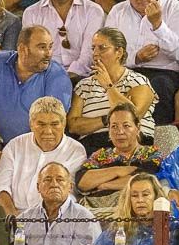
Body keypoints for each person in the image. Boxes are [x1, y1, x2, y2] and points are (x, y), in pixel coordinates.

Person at [102, 0, 179, 126]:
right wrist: (135, 57)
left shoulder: (177, 8)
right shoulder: (118, 11)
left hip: (165, 73)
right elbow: (107, 51)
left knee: (158, 86)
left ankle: (154, 144)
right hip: (126, 71)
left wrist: (158, 25)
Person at [66, 27, 157, 156]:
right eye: (93, 48)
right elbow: (74, 126)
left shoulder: (138, 81)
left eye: (102, 48)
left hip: (134, 144)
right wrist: (106, 119)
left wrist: (108, 87)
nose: (95, 53)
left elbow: (134, 116)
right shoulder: (83, 86)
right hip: (93, 146)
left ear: (119, 52)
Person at [0, 96, 87, 216]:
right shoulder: (14, 146)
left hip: (54, 218)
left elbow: (67, 194)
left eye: (54, 124)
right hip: (12, 216)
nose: (48, 131)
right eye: (41, 124)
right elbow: (1, 188)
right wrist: (15, 221)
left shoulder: (76, 150)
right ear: (31, 124)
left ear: (64, 124)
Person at [22, 0, 105, 78]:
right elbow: (32, 54)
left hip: (83, 77)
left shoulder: (93, 11)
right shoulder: (32, 13)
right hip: (43, 76)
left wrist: (67, 77)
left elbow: (89, 54)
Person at [75, 103, 164, 213]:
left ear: (138, 128)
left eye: (126, 126)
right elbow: (82, 182)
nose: (120, 132)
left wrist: (105, 185)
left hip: (132, 211)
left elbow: (143, 180)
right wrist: (119, 171)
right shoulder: (100, 155)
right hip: (95, 211)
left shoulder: (151, 153)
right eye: (114, 126)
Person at [17, 161, 101, 245]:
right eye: (47, 180)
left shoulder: (85, 219)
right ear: (38, 187)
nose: (54, 184)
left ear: (70, 187)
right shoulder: (24, 218)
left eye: (60, 180)